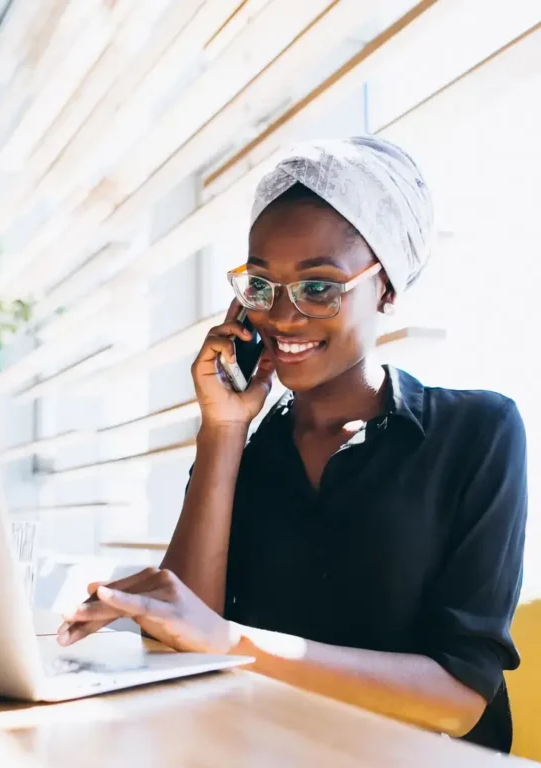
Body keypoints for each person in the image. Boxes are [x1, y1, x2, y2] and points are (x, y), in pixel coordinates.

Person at [57, 136, 527, 753]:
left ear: (385, 290)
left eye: (318, 288)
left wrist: (232, 643)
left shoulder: (477, 432)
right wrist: (222, 432)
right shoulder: (245, 452)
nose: (281, 317)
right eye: (260, 285)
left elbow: (461, 699)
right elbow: (181, 641)